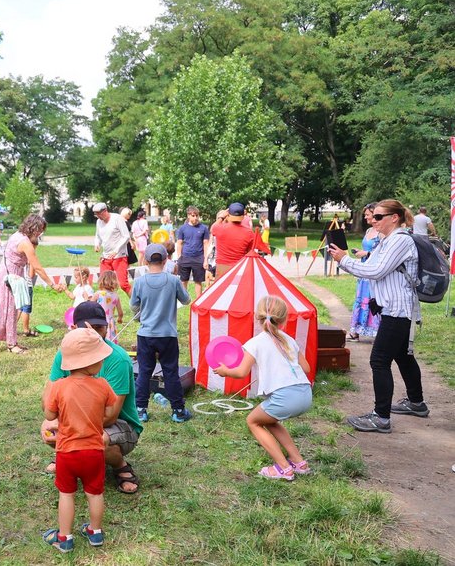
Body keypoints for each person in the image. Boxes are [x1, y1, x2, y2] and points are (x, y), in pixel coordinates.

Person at [328, 199, 429, 434]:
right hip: (393, 308)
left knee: (379, 360)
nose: (373, 220)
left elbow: (375, 271)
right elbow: (371, 266)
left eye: (378, 217)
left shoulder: (400, 241)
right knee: (404, 357)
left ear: (394, 218)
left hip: (398, 310)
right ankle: (416, 403)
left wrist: (344, 259)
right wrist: (346, 260)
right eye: (373, 217)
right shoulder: (386, 240)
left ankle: (381, 417)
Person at [42, 302, 142, 495]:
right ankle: (67, 456)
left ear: (107, 327)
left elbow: (111, 416)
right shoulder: (65, 353)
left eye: (99, 327)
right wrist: (51, 421)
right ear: (73, 329)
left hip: (120, 425)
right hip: (79, 421)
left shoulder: (118, 358)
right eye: (89, 327)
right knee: (48, 429)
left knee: (97, 440)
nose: (95, 333)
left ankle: (120, 465)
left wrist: (66, 427)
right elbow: (48, 398)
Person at [215, 295, 313, 480]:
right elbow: (306, 368)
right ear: (284, 319)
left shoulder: (256, 342)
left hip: (285, 398)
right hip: (305, 394)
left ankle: (283, 468)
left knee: (253, 421)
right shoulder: (289, 340)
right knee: (269, 420)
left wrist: (225, 371)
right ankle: (299, 462)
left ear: (257, 318)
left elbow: (242, 372)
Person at [42, 328, 117, 553]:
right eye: (100, 358)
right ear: (88, 363)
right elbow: (110, 410)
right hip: (94, 450)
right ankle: (95, 533)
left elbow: (49, 416)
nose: (103, 361)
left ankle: (64, 538)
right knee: (95, 493)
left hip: (66, 452)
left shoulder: (59, 386)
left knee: (66, 494)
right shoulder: (103, 385)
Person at [130, 243, 193, 423]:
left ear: (146, 260)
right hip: (167, 335)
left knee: (144, 372)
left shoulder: (140, 281)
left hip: (146, 335)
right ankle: (178, 411)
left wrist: (140, 317)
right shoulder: (173, 280)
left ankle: (141, 410)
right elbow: (187, 299)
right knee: (170, 372)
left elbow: (134, 306)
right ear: (166, 260)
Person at [0, 214, 63, 354]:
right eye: (40, 230)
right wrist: (53, 285)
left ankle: (0, 336)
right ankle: (11, 344)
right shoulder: (25, 243)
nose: (40, 233)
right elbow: (37, 267)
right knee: (10, 310)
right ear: (33, 228)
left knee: (5, 307)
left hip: (7, 272)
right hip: (11, 276)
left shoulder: (17, 235)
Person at [348, 204, 382, 341]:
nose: (365, 217)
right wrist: (360, 252)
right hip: (363, 272)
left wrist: (366, 253)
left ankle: (376, 332)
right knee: (360, 300)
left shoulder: (381, 233)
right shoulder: (368, 231)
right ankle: (355, 330)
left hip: (373, 272)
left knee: (372, 301)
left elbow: (382, 253)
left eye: (367, 214)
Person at [93, 202, 132, 294]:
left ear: (105, 211)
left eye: (99, 214)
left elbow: (126, 236)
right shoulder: (99, 222)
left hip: (119, 256)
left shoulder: (117, 218)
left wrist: (116, 250)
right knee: (103, 284)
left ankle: (138, 305)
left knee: (123, 284)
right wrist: (97, 244)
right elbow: (97, 235)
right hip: (106, 257)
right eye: (96, 214)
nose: (98, 217)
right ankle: (106, 307)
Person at [210, 202, 255, 278]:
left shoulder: (219, 228)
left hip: (222, 267)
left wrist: (221, 217)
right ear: (243, 216)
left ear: (228, 214)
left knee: (222, 288)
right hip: (239, 267)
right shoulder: (249, 232)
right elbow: (249, 251)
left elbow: (212, 229)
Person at [175, 206, 210, 298]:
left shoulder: (203, 228)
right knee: (183, 280)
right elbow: (179, 243)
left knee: (198, 281)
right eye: (193, 216)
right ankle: (183, 299)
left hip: (199, 258)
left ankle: (198, 300)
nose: (195, 218)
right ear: (188, 216)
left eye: (197, 216)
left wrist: (205, 259)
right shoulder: (182, 228)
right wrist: (179, 257)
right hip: (185, 257)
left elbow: (206, 244)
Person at [94, 271, 124, 344]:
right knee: (110, 340)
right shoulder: (116, 295)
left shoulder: (98, 294)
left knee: (99, 340)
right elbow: (120, 312)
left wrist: (86, 298)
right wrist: (120, 318)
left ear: (102, 280)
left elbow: (89, 306)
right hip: (110, 322)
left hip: (99, 321)